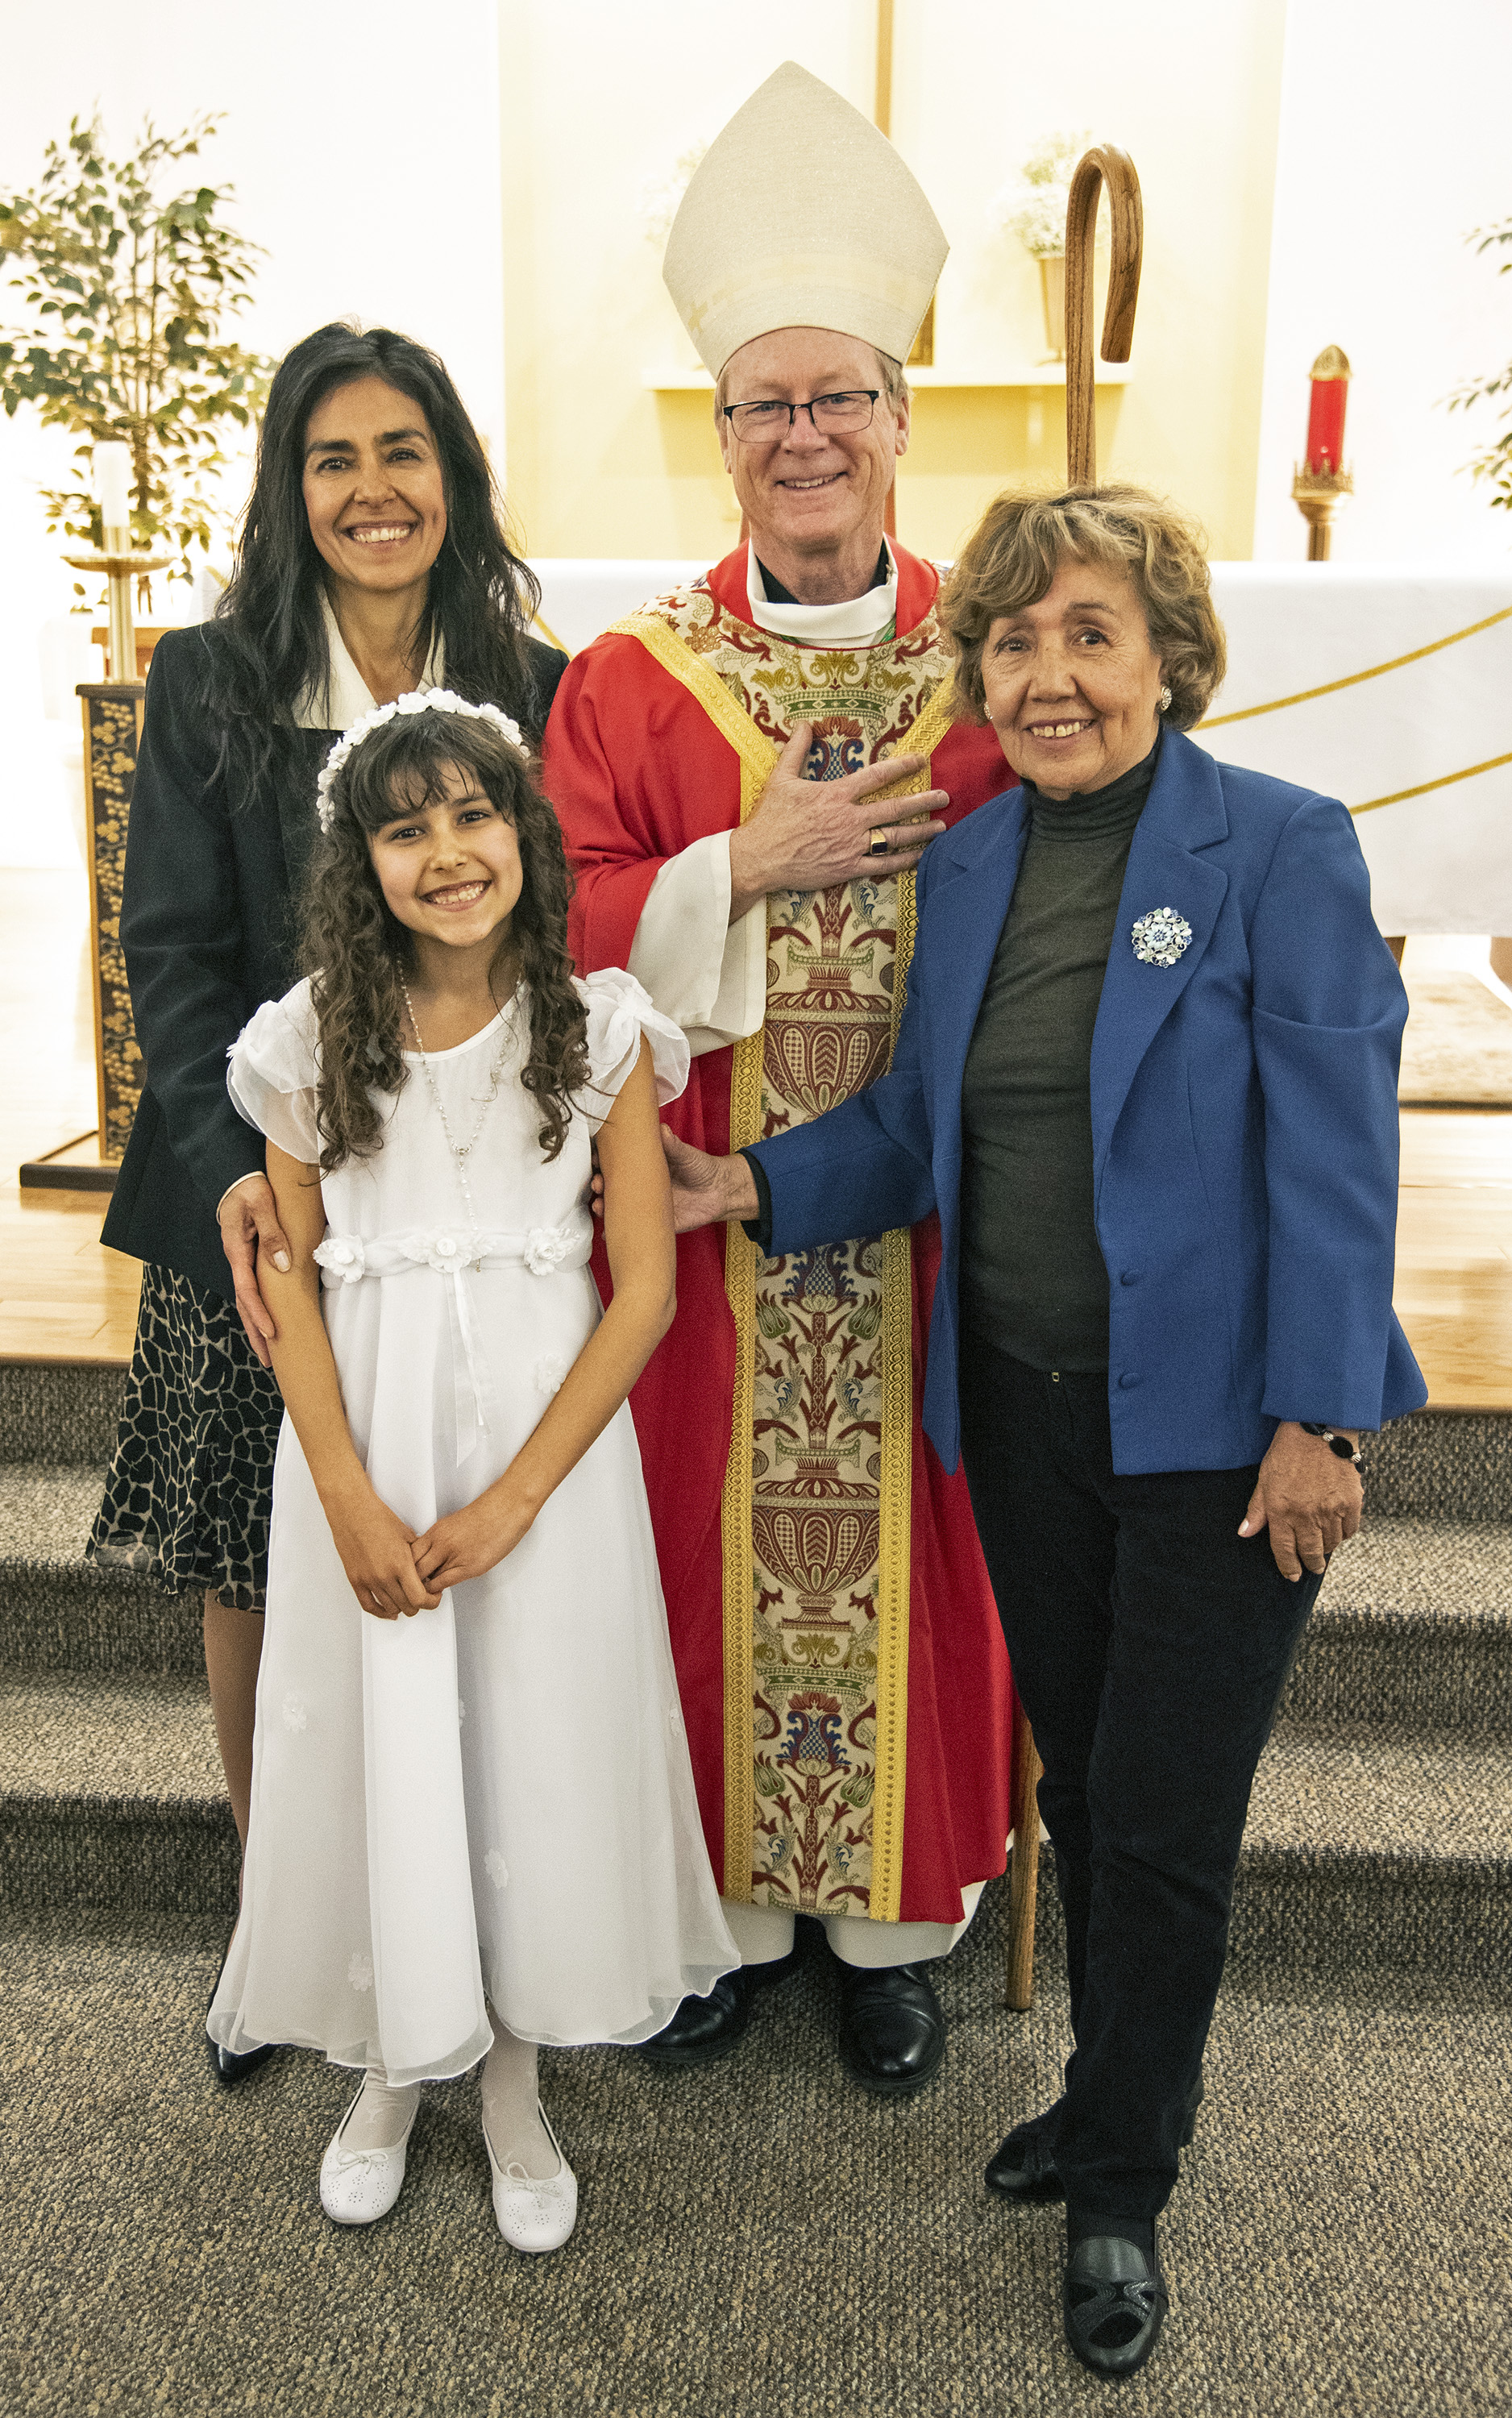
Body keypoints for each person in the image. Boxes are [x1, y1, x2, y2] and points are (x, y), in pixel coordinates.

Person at [657, 484, 1427, 2378]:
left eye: (1088, 633)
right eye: (1010, 638)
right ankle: (1099, 2105)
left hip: (1212, 1436)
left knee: (1159, 1827)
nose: (1046, 672)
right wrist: (738, 1182)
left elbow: (1335, 1164)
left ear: (1167, 654)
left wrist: (1320, 1418)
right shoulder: (977, 864)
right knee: (1078, 1783)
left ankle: (1121, 2193)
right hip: (1013, 1408)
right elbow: (921, 1129)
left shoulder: (1277, 850)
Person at [546, 60, 1014, 2096]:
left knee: (924, 1528)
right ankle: (719, 1921)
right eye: (766, 404)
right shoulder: (627, 680)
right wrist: (749, 865)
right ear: (720, 435)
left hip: (926, 1222)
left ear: (905, 422)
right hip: (704, 1220)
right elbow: (549, 919)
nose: (803, 436)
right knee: (689, 1538)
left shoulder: (1004, 665)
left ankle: (894, 1928)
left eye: (841, 398)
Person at [87, 323, 567, 2084]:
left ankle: (478, 1906)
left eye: (402, 452)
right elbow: (176, 960)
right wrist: (238, 1182)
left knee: (453, 1534)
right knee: (253, 1550)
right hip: (262, 1204)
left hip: (463, 1198)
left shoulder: (536, 668)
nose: (372, 491)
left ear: (453, 473)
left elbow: (559, 932)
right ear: (291, 490)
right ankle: (272, 1908)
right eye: (332, 459)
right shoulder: (212, 675)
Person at [208, 696, 735, 2249]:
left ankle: (510, 2085)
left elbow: (640, 1287)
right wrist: (352, 1499)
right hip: (364, 1449)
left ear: (524, 830)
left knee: (522, 1749)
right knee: (389, 1745)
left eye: (472, 815)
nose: (446, 853)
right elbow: (291, 1288)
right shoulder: (308, 1040)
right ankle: (387, 2063)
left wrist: (513, 1500)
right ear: (359, 863)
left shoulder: (601, 1025)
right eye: (403, 826)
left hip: (544, 1471)